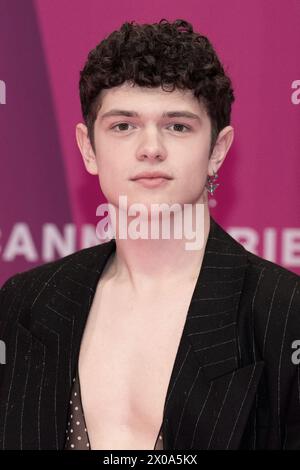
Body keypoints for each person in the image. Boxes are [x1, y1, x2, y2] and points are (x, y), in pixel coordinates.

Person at [0, 18, 299, 451]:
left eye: (178, 126)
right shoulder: (23, 304)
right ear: (88, 148)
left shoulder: (282, 314)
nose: (151, 147)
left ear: (218, 150)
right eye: (124, 125)